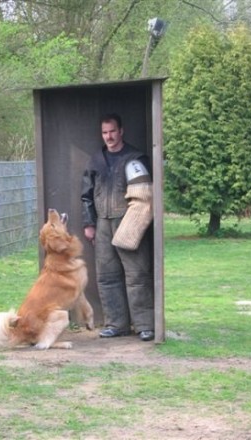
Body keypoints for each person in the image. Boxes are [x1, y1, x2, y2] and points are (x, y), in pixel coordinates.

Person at [81, 113, 155, 341]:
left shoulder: (135, 158)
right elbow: (86, 195)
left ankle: (145, 325)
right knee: (107, 276)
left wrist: (135, 224)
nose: (109, 136)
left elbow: (145, 196)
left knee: (137, 275)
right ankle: (116, 324)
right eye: (105, 132)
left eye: (112, 131)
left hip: (130, 222)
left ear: (121, 131)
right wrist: (89, 223)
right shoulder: (95, 161)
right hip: (103, 223)